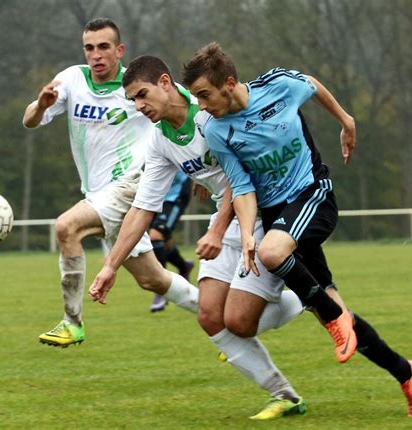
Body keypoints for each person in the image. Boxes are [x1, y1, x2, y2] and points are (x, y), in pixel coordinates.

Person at [181, 42, 412, 418]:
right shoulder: (215, 130)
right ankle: (408, 373)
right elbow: (241, 186)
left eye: (204, 95)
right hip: (279, 216)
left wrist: (346, 120)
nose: (201, 105)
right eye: (195, 97)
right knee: (339, 312)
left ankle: (330, 316)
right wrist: (245, 233)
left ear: (229, 82)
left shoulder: (278, 85)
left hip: (313, 195)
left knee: (272, 253)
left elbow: (311, 83)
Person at [89, 55, 307, 420]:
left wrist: (217, 229)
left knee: (238, 322)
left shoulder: (209, 111)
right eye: (133, 102)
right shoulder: (159, 141)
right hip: (226, 219)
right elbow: (143, 208)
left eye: (143, 95)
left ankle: (307, 294)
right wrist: (110, 266)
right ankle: (284, 395)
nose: (140, 106)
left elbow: (245, 176)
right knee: (209, 315)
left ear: (164, 82)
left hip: (260, 214)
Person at [22, 18, 199, 348]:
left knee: (66, 227)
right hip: (98, 194)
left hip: (131, 184)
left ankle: (71, 322)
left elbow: (189, 103)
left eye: (104, 47)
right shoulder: (72, 79)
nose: (96, 54)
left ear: (119, 50)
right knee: (152, 279)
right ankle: (219, 317)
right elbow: (30, 121)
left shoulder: (136, 86)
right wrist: (41, 106)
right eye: (89, 47)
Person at [149, 171, 194, 312]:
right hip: (156, 196)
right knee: (164, 240)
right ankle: (184, 266)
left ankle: (161, 289)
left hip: (176, 194)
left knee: (156, 236)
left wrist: (199, 179)